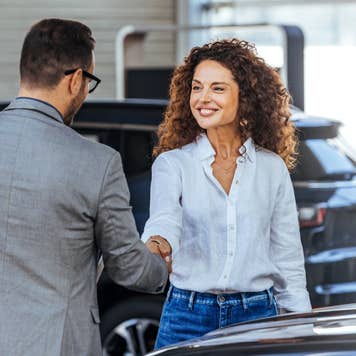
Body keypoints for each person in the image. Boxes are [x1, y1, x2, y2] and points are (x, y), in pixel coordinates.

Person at [0, 18, 168, 356]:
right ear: (76, 79)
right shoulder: (97, 162)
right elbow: (130, 269)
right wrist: (162, 263)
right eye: (89, 81)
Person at [143, 38, 311, 348]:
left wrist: (298, 322)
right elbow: (164, 219)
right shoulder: (172, 164)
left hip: (259, 314)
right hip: (187, 313)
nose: (203, 98)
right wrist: (157, 242)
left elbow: (287, 255)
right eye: (197, 87)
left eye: (217, 88)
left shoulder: (271, 168)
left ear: (245, 97)